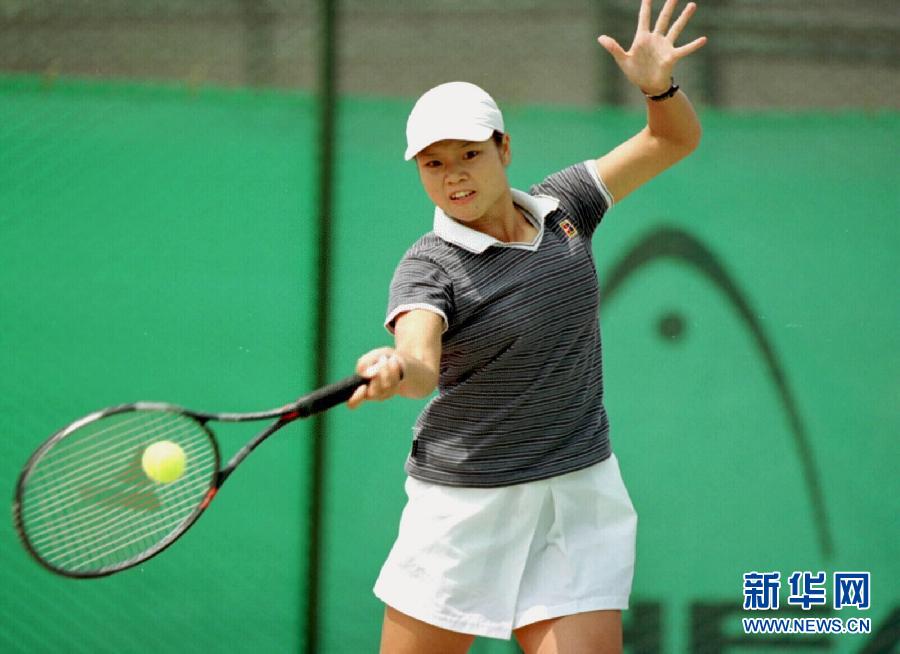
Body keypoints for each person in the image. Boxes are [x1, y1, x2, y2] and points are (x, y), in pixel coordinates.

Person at [348, 1, 707, 652]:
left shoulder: (567, 205)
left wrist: (659, 87)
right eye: (433, 163)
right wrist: (396, 368)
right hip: (463, 510)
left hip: (574, 494)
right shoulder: (430, 266)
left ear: (503, 147)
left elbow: (672, 139)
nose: (454, 173)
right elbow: (420, 359)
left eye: (469, 153)